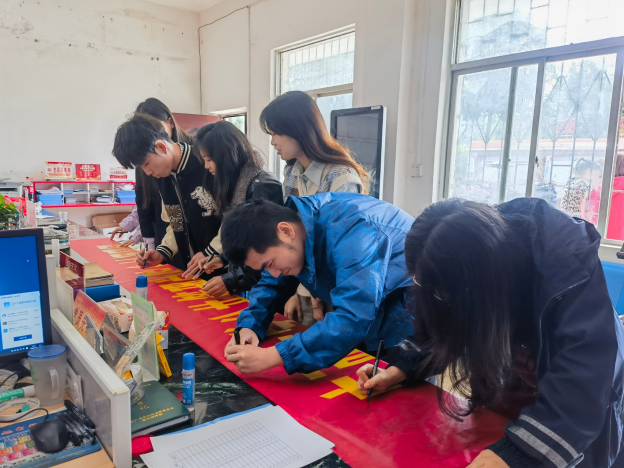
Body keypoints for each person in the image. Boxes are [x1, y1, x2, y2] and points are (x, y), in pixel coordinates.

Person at [357, 197, 624, 468]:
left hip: (580, 401)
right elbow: (445, 323)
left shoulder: (567, 263)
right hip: (511, 379)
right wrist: (403, 366)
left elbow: (585, 376)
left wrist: (522, 453)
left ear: (482, 288)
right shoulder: (470, 259)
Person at [220, 193, 414, 375]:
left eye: (269, 264)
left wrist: (274, 356)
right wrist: (249, 326)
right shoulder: (297, 233)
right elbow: (271, 285)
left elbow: (354, 316)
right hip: (369, 322)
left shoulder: (352, 231)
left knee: (405, 390)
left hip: (408, 325)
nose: (274, 273)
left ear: (285, 231)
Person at [259, 90, 369, 325]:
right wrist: (296, 291)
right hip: (306, 287)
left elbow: (340, 254)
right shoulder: (292, 174)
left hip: (335, 296)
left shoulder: (342, 179)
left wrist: (313, 298)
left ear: (298, 128)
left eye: (276, 133)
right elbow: (293, 240)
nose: (273, 141)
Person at [112, 113, 221, 274]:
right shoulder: (164, 175)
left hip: (222, 269)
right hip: (192, 269)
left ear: (162, 147)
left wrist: (212, 251)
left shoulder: (206, 162)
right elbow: (174, 222)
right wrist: (161, 252)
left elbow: (232, 219)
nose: (147, 172)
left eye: (146, 164)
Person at [186, 121, 283, 297]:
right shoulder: (240, 183)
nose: (206, 166)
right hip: (248, 283)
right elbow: (244, 241)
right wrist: (223, 259)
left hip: (263, 289)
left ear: (226, 156)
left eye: (209, 160)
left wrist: (231, 280)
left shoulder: (262, 186)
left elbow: (265, 250)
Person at [133, 98, 194, 271]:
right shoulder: (148, 160)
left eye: (156, 127)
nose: (148, 172)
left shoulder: (197, 153)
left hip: (202, 243)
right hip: (168, 232)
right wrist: (151, 243)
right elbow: (143, 200)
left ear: (170, 122)